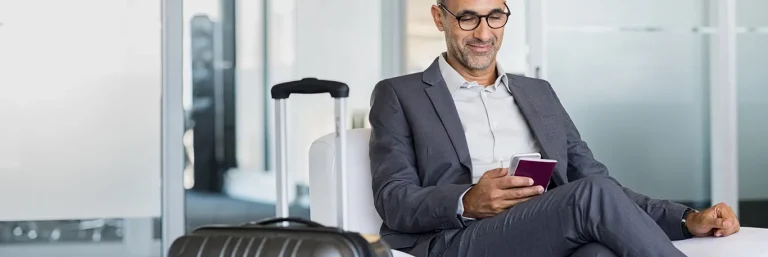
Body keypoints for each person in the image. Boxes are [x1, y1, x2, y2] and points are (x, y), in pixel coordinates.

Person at [367, 0, 741, 256]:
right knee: (588, 195)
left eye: (495, 16)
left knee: (598, 251)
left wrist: (686, 219)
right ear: (439, 17)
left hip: (544, 228)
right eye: (468, 17)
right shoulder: (400, 95)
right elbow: (393, 198)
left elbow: (598, 181)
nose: (484, 33)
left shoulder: (538, 93)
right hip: (461, 240)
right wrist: (467, 201)